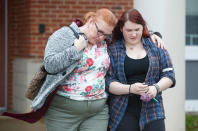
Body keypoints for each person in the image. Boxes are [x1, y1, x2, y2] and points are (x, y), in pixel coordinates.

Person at [2, 8, 164, 131]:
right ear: (91, 19)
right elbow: (50, 65)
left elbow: (131, 34)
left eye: (105, 34)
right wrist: (74, 49)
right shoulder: (64, 35)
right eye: (99, 31)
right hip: (63, 112)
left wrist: (152, 35)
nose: (101, 37)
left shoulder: (106, 42)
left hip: (97, 112)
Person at [105, 8, 176, 131]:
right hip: (122, 110)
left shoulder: (155, 45)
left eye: (137, 29)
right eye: (129, 30)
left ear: (143, 27)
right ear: (121, 29)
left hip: (153, 109)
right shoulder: (113, 50)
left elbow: (169, 74)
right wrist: (130, 88)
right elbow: (108, 82)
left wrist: (155, 88)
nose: (133, 34)